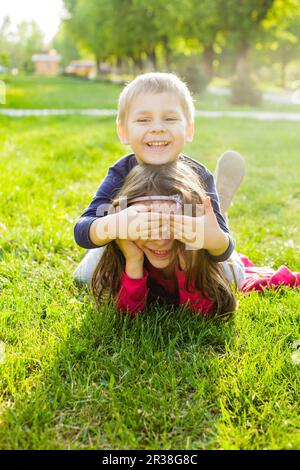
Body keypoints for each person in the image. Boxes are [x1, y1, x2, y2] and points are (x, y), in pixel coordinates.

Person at [73, 72, 245, 283]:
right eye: (144, 119)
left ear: (189, 129)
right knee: (83, 277)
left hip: (185, 256)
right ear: (123, 131)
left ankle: (220, 209)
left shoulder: (198, 175)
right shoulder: (121, 173)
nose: (157, 128)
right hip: (134, 253)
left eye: (170, 119)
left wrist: (215, 239)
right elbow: (82, 229)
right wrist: (115, 224)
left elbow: (222, 250)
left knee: (234, 277)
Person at [91, 160, 299, 319]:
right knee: (84, 272)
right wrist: (133, 259)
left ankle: (217, 217)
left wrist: (189, 260)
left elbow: (201, 313)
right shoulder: (127, 246)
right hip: (122, 237)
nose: (160, 240)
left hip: (209, 250)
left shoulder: (198, 248)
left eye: (172, 225)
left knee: (234, 274)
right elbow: (127, 313)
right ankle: (218, 212)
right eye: (147, 226)